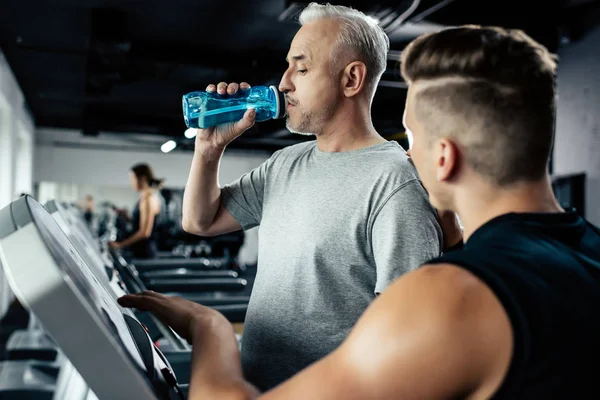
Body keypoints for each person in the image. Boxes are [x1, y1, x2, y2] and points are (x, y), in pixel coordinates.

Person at [119, 24, 600, 399]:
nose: (406, 155)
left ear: (443, 156)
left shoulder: (452, 295)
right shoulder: (586, 251)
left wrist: (209, 327)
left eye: (410, 137)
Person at [179, 2, 445, 390]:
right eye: (288, 67)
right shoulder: (285, 163)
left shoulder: (394, 184)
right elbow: (199, 221)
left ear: (351, 79)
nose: (284, 83)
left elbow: (408, 343)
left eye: (301, 68)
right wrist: (208, 150)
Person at [109, 163, 164, 259]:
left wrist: (120, 244)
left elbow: (145, 232)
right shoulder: (144, 198)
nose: (131, 182)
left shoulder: (148, 199)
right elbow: (140, 224)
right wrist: (126, 217)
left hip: (145, 252)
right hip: (140, 250)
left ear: (142, 178)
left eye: (132, 178)